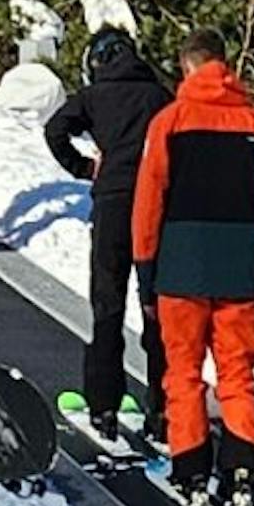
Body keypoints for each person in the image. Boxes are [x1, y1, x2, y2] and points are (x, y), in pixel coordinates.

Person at [131, 28, 254, 506]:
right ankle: (241, 470)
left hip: (182, 262)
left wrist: (147, 269)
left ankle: (191, 468)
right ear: (226, 66)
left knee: (184, 373)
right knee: (238, 374)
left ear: (186, 67)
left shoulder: (170, 121)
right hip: (240, 262)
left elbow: (149, 202)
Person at [42, 24, 174, 442]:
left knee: (108, 303)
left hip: (113, 199)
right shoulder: (157, 95)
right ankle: (163, 405)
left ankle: (103, 403)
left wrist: (83, 168)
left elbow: (54, 129)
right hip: (155, 203)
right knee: (156, 309)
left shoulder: (95, 95)